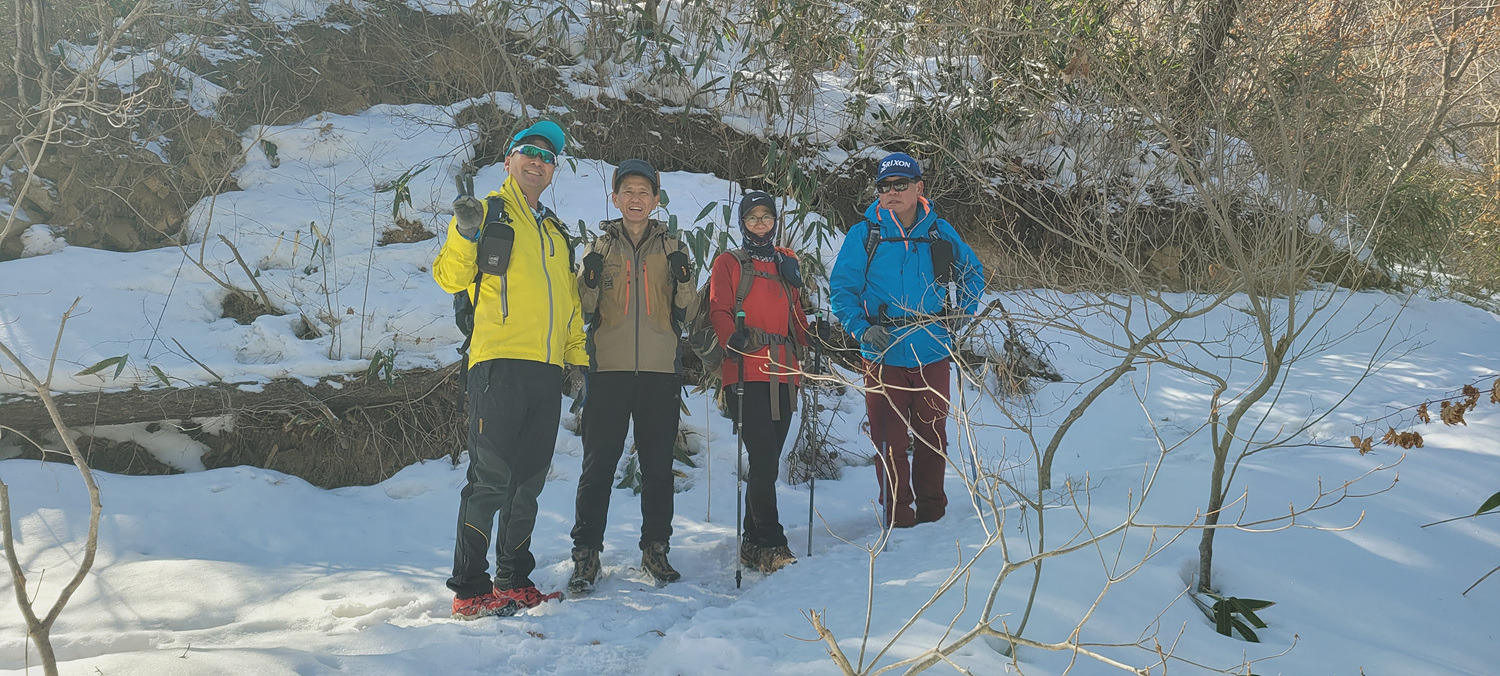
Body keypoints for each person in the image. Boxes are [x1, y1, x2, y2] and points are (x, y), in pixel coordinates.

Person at [433, 119, 588, 619]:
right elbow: (450, 276)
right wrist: (466, 233)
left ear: (553, 171)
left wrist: (578, 363)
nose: (537, 162)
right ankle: (469, 588)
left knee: (528, 482)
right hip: (497, 365)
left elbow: (569, 307)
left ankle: (513, 579)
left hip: (545, 372)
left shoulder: (556, 233)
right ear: (509, 161)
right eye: (528, 152)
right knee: (490, 480)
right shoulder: (487, 213)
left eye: (547, 157)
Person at [828, 152, 984, 529]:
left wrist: (962, 311)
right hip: (882, 352)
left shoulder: (939, 231)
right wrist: (862, 329)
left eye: (901, 184)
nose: (892, 192)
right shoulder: (865, 234)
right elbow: (843, 289)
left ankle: (933, 516)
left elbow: (972, 274)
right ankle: (898, 518)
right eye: (884, 186)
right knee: (889, 442)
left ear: (919, 187)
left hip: (932, 348)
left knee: (933, 437)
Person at [567, 159, 699, 593]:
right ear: (615, 198)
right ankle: (586, 553)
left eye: (644, 191)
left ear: (656, 199)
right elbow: (584, 310)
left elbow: (688, 312)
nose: (636, 199)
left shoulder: (674, 246)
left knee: (658, 468)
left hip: (660, 372)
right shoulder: (599, 248)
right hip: (608, 371)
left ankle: (655, 548)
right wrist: (588, 279)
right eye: (628, 191)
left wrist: (683, 277)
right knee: (598, 467)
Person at [710, 190, 810, 574]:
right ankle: (771, 542)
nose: (760, 223)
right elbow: (718, 308)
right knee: (764, 459)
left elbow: (796, 312)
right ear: (742, 223)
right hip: (746, 370)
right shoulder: (729, 262)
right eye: (752, 217)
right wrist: (730, 338)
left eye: (766, 216)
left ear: (775, 221)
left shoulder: (787, 261)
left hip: (785, 372)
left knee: (766, 462)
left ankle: (752, 543)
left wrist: (811, 335)